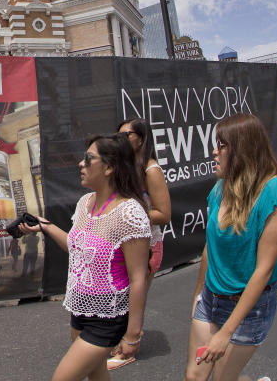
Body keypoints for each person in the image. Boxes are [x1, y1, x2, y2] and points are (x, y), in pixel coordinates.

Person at [19, 133, 150, 381]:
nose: (81, 164)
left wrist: (133, 333)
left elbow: (138, 277)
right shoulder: (84, 203)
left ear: (110, 167)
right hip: (80, 310)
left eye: (88, 159)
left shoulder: (130, 214)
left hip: (108, 317)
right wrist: (45, 227)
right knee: (97, 374)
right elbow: (77, 249)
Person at [183, 114, 277, 381]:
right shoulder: (219, 189)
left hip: (249, 309)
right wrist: (199, 294)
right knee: (194, 377)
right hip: (211, 300)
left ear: (242, 150)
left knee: (222, 378)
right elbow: (211, 247)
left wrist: (226, 332)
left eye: (222, 145)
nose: (214, 152)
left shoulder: (274, 191)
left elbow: (263, 271)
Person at [109, 118, 172, 369]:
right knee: (120, 297)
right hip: (122, 244)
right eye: (119, 134)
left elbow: (164, 214)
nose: (122, 138)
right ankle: (119, 340)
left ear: (142, 139)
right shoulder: (122, 168)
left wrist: (129, 214)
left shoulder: (150, 170)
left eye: (128, 134)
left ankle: (128, 346)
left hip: (146, 245)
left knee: (135, 298)